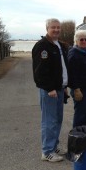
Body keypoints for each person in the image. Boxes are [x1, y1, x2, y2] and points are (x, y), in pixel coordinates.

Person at [32, 18, 69, 162]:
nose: (56, 30)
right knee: (49, 121)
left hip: (59, 88)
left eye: (58, 27)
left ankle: (54, 145)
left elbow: (62, 68)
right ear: (47, 28)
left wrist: (64, 86)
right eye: (53, 27)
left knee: (58, 119)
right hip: (50, 91)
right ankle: (47, 151)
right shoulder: (42, 46)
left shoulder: (58, 45)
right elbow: (40, 71)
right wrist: (49, 88)